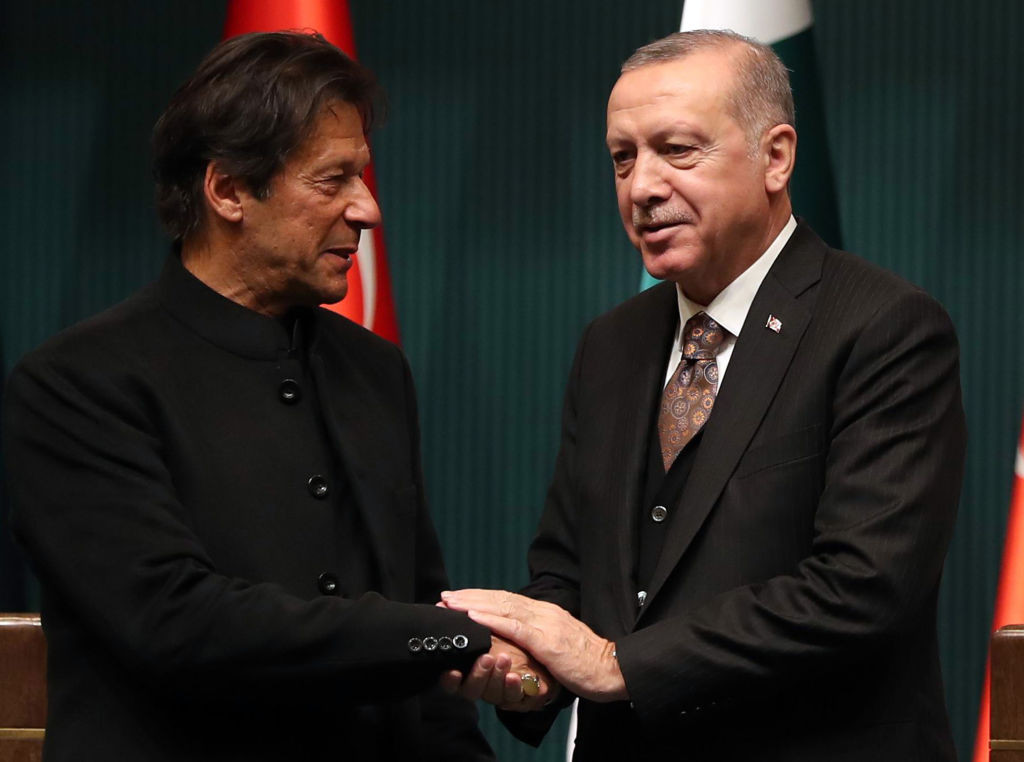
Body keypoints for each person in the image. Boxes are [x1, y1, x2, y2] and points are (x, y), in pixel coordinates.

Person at [441, 29, 966, 761]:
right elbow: (569, 570)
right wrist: (531, 669)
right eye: (622, 158)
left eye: (678, 151)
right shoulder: (611, 344)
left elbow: (861, 589)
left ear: (775, 156)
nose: (642, 186)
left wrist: (617, 667)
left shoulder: (884, 327)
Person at [2, 32, 496, 762]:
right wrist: (463, 633)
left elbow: (418, 618)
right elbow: (177, 625)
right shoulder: (76, 383)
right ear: (228, 190)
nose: (367, 210)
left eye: (364, 176)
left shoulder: (375, 370)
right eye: (332, 181)